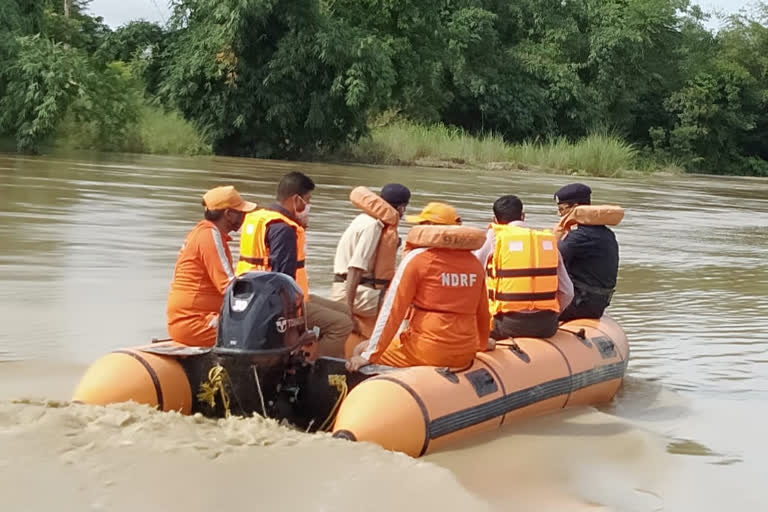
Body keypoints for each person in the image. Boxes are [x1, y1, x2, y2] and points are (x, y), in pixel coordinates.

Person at [237, 171, 353, 357]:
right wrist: (292, 327)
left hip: (256, 298)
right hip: (278, 305)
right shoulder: (284, 230)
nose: (309, 206)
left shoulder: (260, 218)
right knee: (342, 324)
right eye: (308, 200)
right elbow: (283, 280)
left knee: (346, 311)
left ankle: (317, 351)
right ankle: (314, 369)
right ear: (296, 200)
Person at [346, 223, 491, 371]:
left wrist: (368, 355)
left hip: (426, 351)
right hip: (465, 352)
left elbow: (392, 311)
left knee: (359, 349)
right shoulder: (474, 263)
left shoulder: (418, 259)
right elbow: (483, 313)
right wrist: (483, 344)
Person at [166, 185, 257, 347]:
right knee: (260, 334)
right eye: (240, 212)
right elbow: (229, 287)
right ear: (228, 214)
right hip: (195, 322)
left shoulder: (202, 233)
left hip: (190, 320)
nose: (244, 216)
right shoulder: (210, 236)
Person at [473, 195, 574, 340]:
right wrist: (554, 314)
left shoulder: (494, 238)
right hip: (547, 326)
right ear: (523, 216)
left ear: (495, 220)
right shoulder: (547, 241)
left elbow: (473, 276)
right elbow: (568, 292)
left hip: (507, 325)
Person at [330, 184, 410, 331]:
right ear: (401, 208)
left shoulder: (363, 218)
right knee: (406, 305)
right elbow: (355, 268)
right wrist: (347, 311)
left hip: (355, 288)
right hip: (350, 293)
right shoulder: (373, 227)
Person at [553, 183, 620, 321]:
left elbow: (548, 260)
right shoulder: (604, 233)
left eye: (561, 209)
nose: (559, 215)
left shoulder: (581, 237)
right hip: (594, 302)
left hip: (581, 304)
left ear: (575, 208)